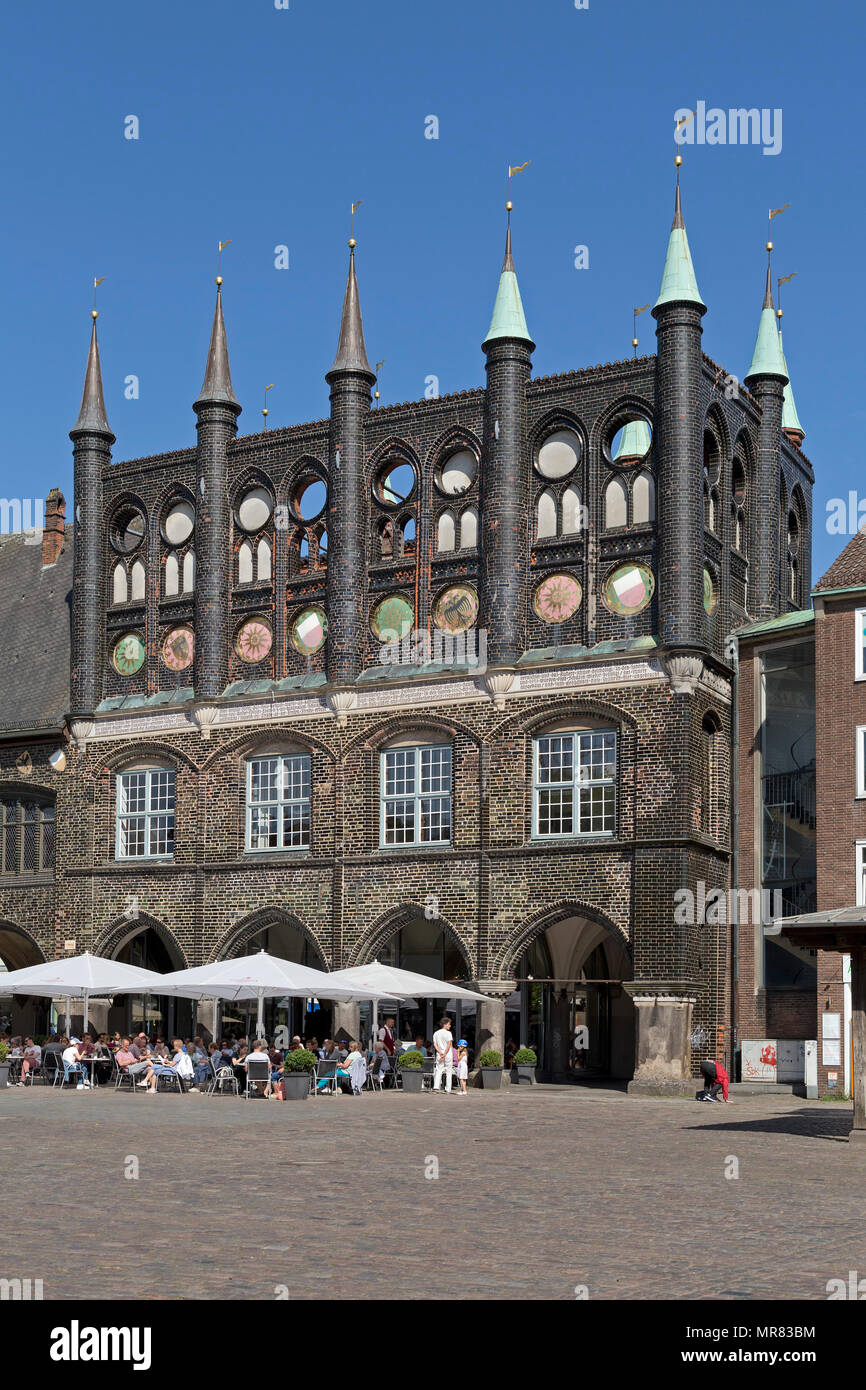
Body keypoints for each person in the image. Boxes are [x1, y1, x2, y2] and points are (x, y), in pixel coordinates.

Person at [432, 1016, 454, 1093]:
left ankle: (436, 1087)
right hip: (447, 1054)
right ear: (445, 1024)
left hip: (439, 1054)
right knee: (448, 1071)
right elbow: (449, 1044)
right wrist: (445, 1053)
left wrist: (440, 1052)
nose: (450, 1026)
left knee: (438, 1070)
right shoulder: (448, 1033)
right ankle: (448, 1089)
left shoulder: (436, 1033)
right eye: (449, 1024)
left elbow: (435, 1044)